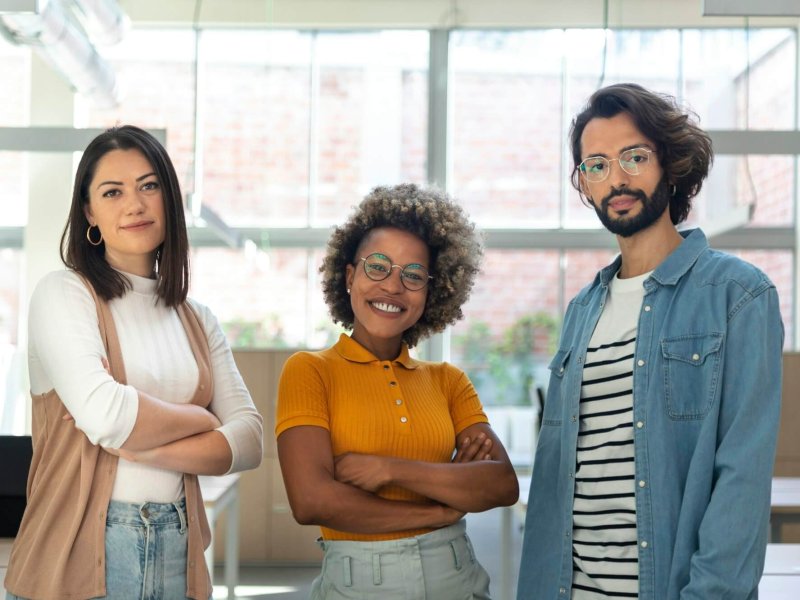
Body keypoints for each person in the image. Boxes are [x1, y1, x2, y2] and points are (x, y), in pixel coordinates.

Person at [517, 83, 784, 599]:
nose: (616, 178)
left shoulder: (738, 296)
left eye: (634, 157)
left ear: (670, 163)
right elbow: (560, 484)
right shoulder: (581, 312)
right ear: (585, 184)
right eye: (596, 165)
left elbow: (741, 483)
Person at [5, 125, 264, 600]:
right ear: (90, 212)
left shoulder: (197, 319)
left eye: (149, 185)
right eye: (112, 191)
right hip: (75, 558)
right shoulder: (64, 294)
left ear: (169, 198)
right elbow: (107, 415)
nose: (135, 204)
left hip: (178, 553)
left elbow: (248, 441)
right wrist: (202, 420)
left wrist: (141, 447)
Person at [276, 183, 519, 599]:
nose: (393, 287)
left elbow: (500, 485)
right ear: (350, 275)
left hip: (456, 575)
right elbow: (312, 500)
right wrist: (441, 505)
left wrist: (390, 470)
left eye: (412, 275)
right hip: (358, 583)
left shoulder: (448, 381)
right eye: (378, 267)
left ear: (432, 292)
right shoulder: (310, 371)